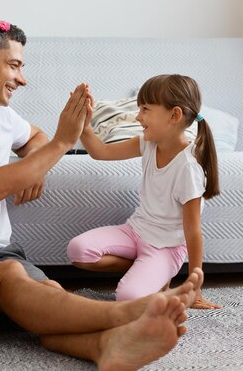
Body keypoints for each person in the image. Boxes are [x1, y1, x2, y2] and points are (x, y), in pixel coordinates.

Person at [0, 17, 205, 371]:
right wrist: (62, 143)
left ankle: (105, 347)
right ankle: (128, 314)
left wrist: (35, 166)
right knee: (15, 279)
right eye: (14, 65)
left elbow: (35, 137)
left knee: (48, 295)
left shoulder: (0, 115)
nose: (22, 79)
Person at [67, 74, 222, 309]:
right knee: (78, 251)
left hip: (166, 246)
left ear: (174, 115)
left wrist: (195, 288)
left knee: (128, 299)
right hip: (135, 231)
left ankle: (158, 273)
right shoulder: (148, 143)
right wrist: (83, 123)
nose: (138, 117)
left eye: (146, 109)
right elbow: (100, 152)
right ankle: (150, 272)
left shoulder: (188, 167)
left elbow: (193, 231)